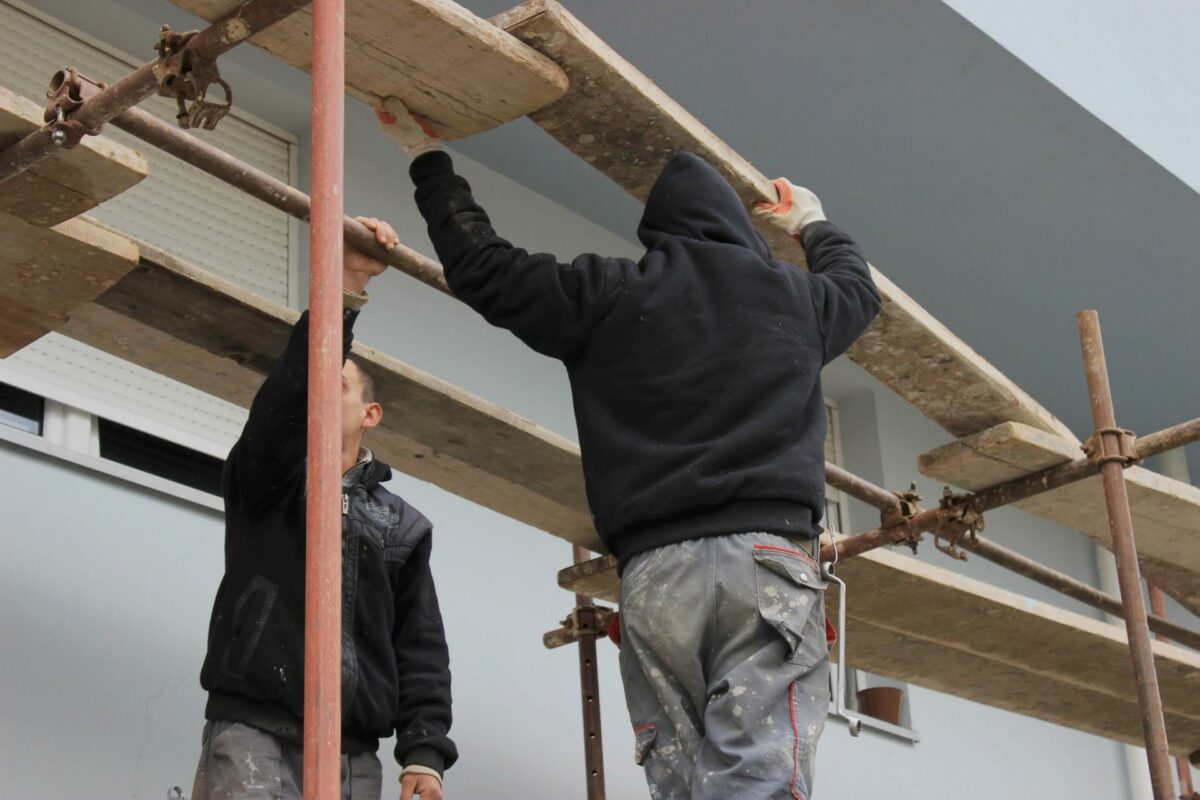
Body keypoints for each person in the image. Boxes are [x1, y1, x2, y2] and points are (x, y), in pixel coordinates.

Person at [380, 99, 880, 799]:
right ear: (741, 230)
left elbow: (485, 269)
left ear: (657, 233)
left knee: (678, 779)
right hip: (768, 566)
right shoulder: (794, 298)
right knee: (761, 775)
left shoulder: (610, 292)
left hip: (656, 577)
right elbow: (859, 288)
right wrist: (813, 224)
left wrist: (427, 164)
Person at [192, 217, 456, 800]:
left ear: (370, 414)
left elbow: (419, 645)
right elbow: (285, 395)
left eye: (335, 386)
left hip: (353, 752)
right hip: (254, 730)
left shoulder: (403, 527)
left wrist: (425, 751)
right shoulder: (268, 483)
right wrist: (345, 287)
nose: (316, 391)